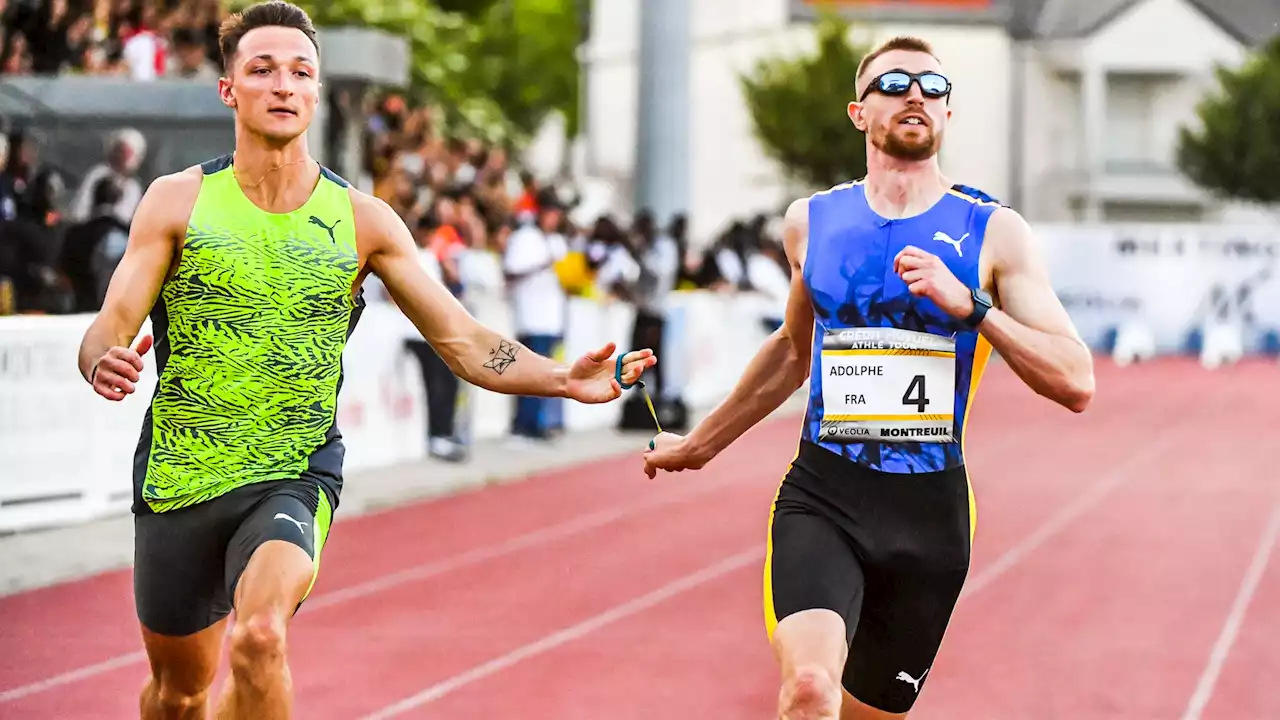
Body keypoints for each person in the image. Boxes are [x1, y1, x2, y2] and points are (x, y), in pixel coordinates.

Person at [76, 3, 656, 718]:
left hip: (291, 474)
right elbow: (108, 327)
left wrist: (562, 378)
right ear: (228, 89)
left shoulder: (364, 221)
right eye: (262, 70)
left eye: (301, 72)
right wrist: (102, 359)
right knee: (179, 696)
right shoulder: (177, 201)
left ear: (316, 93)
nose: (284, 85)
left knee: (260, 638)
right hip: (179, 472)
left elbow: (465, 342)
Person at [643, 35, 1094, 720]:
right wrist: (698, 445)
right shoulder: (812, 222)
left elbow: (1075, 379)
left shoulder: (994, 234)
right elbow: (791, 354)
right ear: (859, 113)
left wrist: (973, 308)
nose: (917, 94)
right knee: (810, 690)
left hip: (929, 517)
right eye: (895, 83)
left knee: (862, 715)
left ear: (948, 114)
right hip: (824, 492)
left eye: (934, 87)